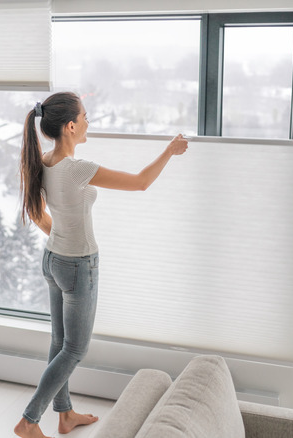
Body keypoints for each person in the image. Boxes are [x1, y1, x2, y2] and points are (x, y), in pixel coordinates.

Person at [14, 91, 189, 438]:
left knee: (59, 343)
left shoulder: (42, 161)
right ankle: (29, 420)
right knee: (75, 349)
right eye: (85, 117)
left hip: (53, 259)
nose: (88, 122)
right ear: (70, 126)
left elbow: (37, 213)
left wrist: (61, 237)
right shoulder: (78, 169)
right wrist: (170, 150)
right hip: (78, 266)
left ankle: (64, 415)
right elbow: (140, 183)